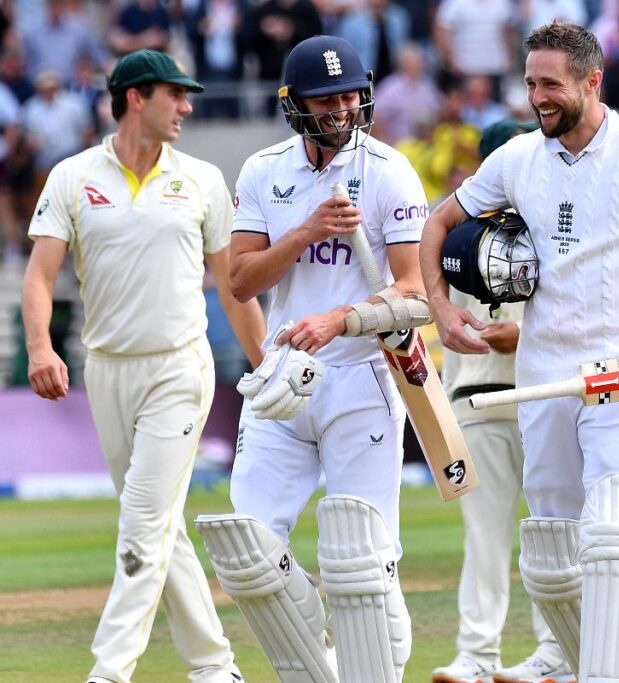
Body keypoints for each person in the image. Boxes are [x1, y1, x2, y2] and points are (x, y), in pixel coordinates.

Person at [421, 20, 619, 683]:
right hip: (544, 378)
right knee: (554, 549)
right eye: (531, 82)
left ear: (593, 82)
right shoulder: (515, 158)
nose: (537, 96)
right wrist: (443, 308)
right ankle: (565, 658)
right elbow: (438, 224)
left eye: (551, 84)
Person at [21, 49, 265, 683]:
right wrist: (42, 347)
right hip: (106, 371)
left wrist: (265, 362)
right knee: (160, 528)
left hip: (179, 371)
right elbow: (40, 277)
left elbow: (233, 285)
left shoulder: (203, 179)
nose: (186, 106)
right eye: (174, 95)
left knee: (143, 520)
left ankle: (109, 670)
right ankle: (215, 668)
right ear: (136, 98)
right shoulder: (73, 177)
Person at [195, 35, 430, 682]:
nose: (344, 107)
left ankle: (371, 658)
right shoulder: (264, 170)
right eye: (327, 98)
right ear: (295, 104)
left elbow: (413, 293)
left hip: (363, 377)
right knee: (246, 548)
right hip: (285, 382)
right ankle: (325, 659)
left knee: (364, 557)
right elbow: (240, 281)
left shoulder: (388, 171)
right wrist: (304, 232)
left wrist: (341, 319)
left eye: (352, 93)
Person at [432, 118, 575, 683]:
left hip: (543, 393)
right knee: (485, 537)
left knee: (550, 532)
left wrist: (527, 338)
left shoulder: (556, 223)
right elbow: (436, 316)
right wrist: (441, 413)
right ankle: (477, 653)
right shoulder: (452, 232)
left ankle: (556, 651)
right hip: (473, 397)